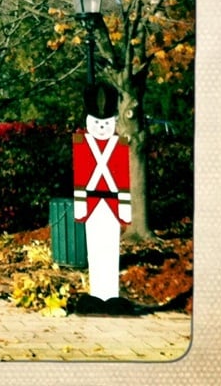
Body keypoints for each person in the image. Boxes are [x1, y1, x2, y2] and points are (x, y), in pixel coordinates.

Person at [73, 81, 131, 302]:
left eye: (106, 122)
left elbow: (123, 180)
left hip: (113, 204)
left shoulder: (120, 145)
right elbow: (81, 178)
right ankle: (98, 294)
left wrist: (124, 209)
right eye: (97, 122)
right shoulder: (82, 143)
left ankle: (111, 294)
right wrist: (81, 205)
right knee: (95, 248)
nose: (101, 126)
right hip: (92, 204)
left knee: (110, 248)